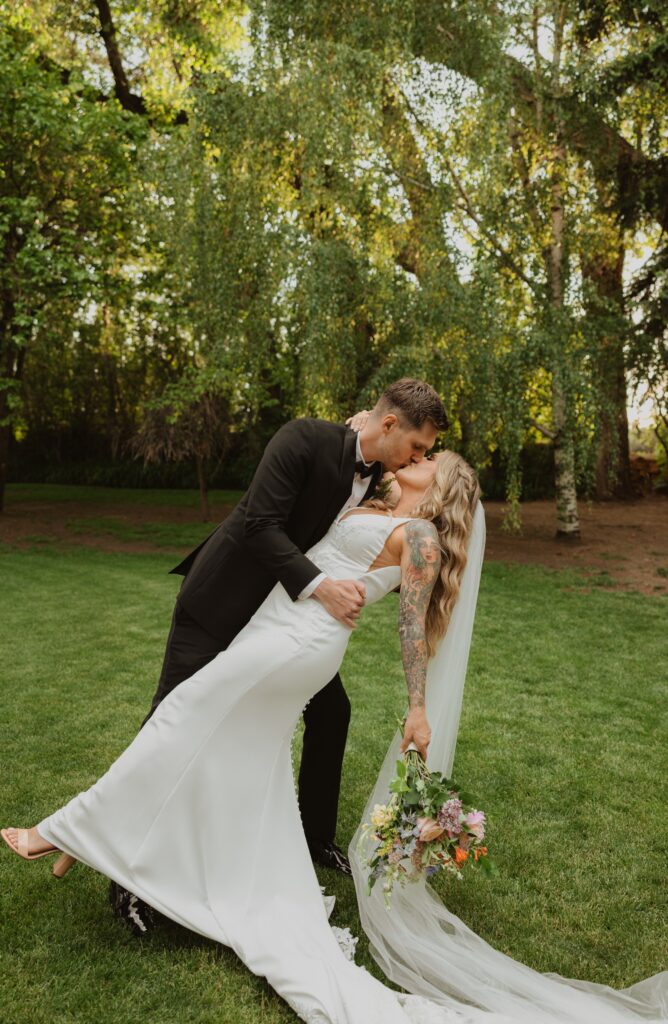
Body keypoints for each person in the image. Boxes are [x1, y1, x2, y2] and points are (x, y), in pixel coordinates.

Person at [3, 450, 667, 1023]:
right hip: (273, 629)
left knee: (182, 719)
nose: (418, 456)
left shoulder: (421, 536)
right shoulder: (369, 499)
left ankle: (60, 833)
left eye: (432, 458)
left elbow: (412, 628)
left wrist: (415, 706)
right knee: (227, 757)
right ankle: (123, 850)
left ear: (443, 489)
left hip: (297, 645)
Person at [111, 378, 448, 931]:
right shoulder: (301, 440)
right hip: (221, 605)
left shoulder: (374, 473)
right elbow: (259, 525)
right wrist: (321, 586)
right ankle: (126, 878)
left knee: (332, 710)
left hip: (278, 622)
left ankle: (312, 839)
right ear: (390, 425)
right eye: (417, 447)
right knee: (172, 719)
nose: (420, 457)